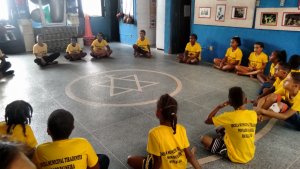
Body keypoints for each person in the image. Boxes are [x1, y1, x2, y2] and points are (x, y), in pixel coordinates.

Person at [127, 94, 201, 169]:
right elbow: (190, 156)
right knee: (185, 153)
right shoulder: (181, 129)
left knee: (130, 159)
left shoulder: (154, 133)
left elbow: (158, 162)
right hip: (180, 166)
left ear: (159, 112)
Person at [33, 109, 110, 169]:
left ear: (48, 131)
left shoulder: (40, 150)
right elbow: (95, 168)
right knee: (103, 158)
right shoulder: (82, 143)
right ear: (72, 128)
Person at [201, 87, 257, 164]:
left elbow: (207, 121)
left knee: (204, 139)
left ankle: (223, 149)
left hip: (235, 156)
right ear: (246, 100)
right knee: (223, 128)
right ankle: (223, 139)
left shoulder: (228, 116)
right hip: (250, 153)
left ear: (230, 103)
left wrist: (219, 107)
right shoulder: (253, 114)